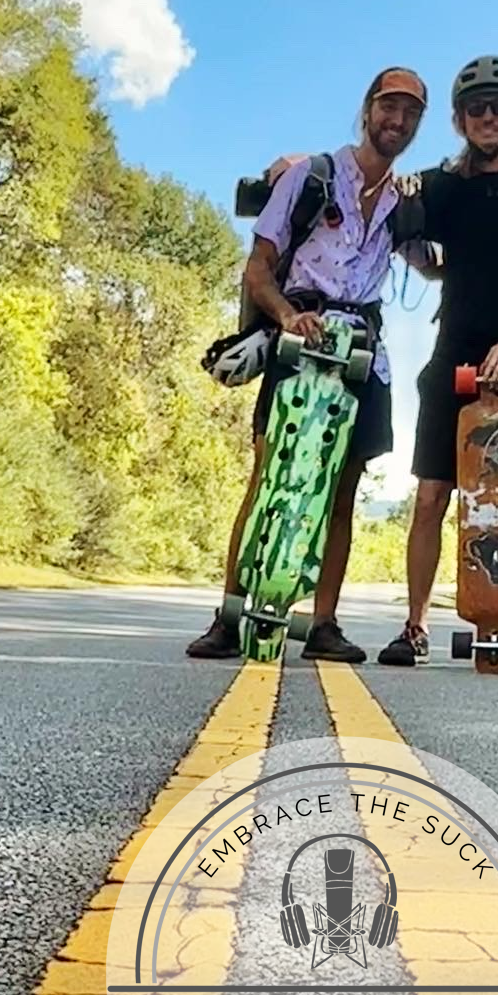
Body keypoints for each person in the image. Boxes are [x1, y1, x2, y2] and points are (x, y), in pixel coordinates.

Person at [187, 66, 428, 663]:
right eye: (388, 107)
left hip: (363, 356)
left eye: (410, 113)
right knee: (268, 475)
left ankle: (323, 624)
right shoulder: (311, 177)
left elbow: (434, 265)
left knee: (343, 489)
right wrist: (287, 316)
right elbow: (258, 267)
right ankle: (229, 616)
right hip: (300, 343)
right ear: (368, 110)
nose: (396, 120)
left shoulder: (405, 202)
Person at [376, 55, 498, 673]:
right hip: (452, 355)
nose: (489, 117)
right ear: (460, 119)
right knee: (432, 494)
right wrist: (414, 244)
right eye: (476, 108)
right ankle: (415, 626)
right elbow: (397, 221)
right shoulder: (440, 186)